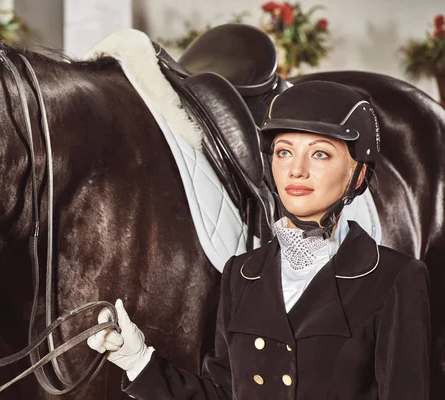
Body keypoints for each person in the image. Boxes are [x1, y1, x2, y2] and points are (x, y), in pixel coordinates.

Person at [87, 81, 431, 399]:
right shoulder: (241, 274)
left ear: (358, 174)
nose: (297, 169)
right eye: (284, 152)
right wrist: (138, 361)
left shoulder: (396, 279)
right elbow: (223, 393)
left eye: (320, 153)